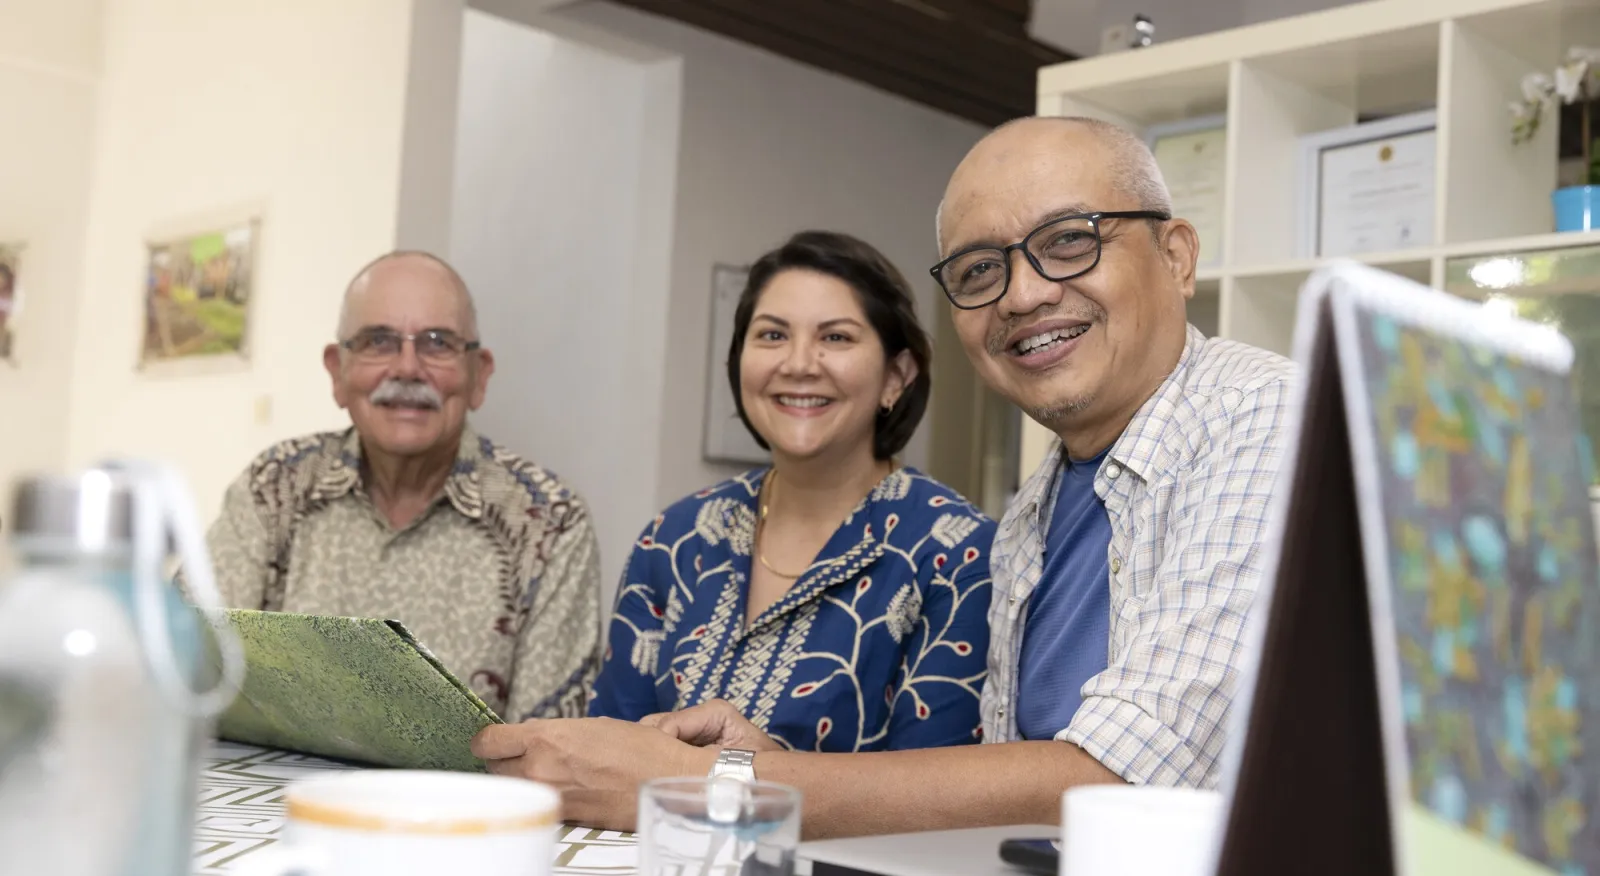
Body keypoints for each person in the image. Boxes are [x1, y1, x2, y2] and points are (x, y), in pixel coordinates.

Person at [470, 116, 1295, 837]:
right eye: (979, 271)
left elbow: (1122, 781)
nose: (1025, 293)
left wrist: (707, 785)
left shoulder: (1264, 421)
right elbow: (996, 789)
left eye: (1069, 240)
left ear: (1178, 255)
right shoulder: (1037, 511)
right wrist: (761, 760)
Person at [588, 230, 995, 753]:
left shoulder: (956, 553)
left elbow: (939, 797)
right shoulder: (675, 539)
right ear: (738, 366)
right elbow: (610, 751)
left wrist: (766, 775)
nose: (799, 364)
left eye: (836, 338)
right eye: (773, 336)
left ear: (896, 376)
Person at [205, 251, 601, 720]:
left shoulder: (551, 524)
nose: (408, 368)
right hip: (276, 792)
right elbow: (190, 669)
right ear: (338, 371)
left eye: (438, 343)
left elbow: (548, 751)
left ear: (480, 375)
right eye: (379, 341)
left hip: (467, 797)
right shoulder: (272, 488)